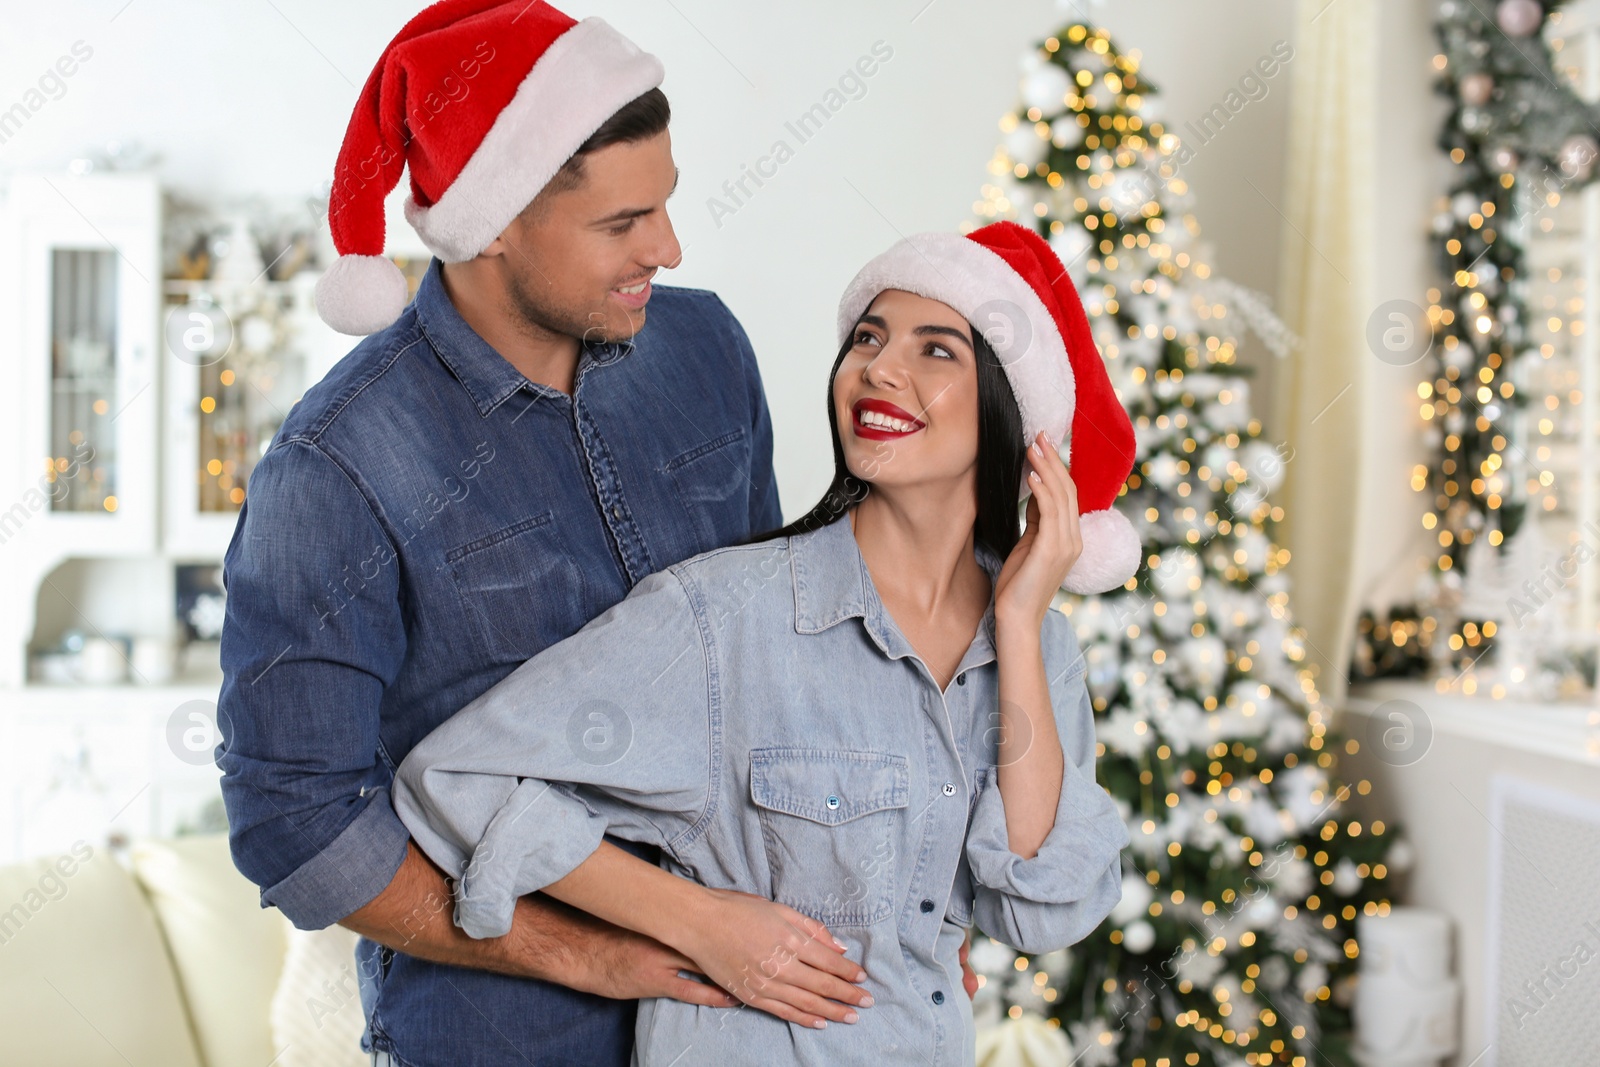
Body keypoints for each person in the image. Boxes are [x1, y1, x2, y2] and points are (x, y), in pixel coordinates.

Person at [393, 221, 1141, 1066]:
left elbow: (1044, 906)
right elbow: (459, 778)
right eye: (867, 337)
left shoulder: (1041, 649)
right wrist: (696, 919)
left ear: (1013, 409)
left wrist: (1017, 624)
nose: (879, 369)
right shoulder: (725, 619)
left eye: (937, 350)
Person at [216, 2, 784, 1064]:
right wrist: (587, 954)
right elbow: (293, 823)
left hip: (742, 1020)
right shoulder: (335, 469)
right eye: (623, 224)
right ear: (494, 222)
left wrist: (884, 903)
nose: (667, 246)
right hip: (503, 1038)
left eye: (662, 205)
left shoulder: (704, 348)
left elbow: (777, 668)